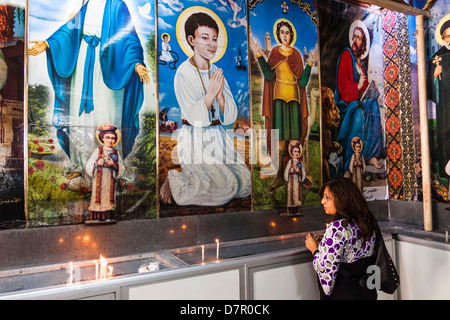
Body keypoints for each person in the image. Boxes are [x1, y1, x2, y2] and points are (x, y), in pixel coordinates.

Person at [28, 0, 150, 182]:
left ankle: (112, 166)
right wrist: (48, 44)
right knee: (79, 116)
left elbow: (129, 38)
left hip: (108, 65)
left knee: (107, 111)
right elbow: (69, 30)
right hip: (84, 62)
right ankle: (79, 165)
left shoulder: (117, 5)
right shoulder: (87, 4)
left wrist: (136, 63)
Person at [159, 11, 250, 206]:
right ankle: (173, 179)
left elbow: (230, 115)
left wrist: (219, 95)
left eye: (215, 39)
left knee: (245, 183)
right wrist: (210, 94)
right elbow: (194, 117)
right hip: (195, 139)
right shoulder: (183, 73)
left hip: (218, 137)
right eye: (205, 38)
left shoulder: (216, 71)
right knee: (226, 188)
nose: (211, 44)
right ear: (191, 40)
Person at [252, 19, 318, 192]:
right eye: (281, 32)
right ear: (278, 35)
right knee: (281, 140)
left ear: (291, 35)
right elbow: (267, 75)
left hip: (295, 103)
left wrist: (310, 63)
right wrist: (259, 54)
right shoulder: (274, 52)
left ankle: (299, 175)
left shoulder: (296, 54)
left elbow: (303, 82)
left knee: (295, 140)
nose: (284, 35)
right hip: (279, 101)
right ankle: (281, 177)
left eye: (287, 32)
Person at [305, 177, 379, 300]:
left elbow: (326, 272)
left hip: (344, 294)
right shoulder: (368, 222)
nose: (323, 201)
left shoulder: (336, 228)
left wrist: (315, 250)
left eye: (327, 197)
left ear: (342, 199)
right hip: (366, 292)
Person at [335, 20, 384, 175]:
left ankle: (370, 155)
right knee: (358, 114)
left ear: (363, 43)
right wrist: (357, 86)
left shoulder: (361, 64)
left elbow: (364, 91)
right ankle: (349, 163)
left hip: (358, 101)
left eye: (358, 38)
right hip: (346, 104)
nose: (355, 41)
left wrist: (371, 88)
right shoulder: (346, 55)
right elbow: (342, 86)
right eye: (354, 37)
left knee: (374, 106)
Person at [85, 124, 125, 221]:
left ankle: (107, 218)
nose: (110, 140)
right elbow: (89, 165)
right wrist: (97, 163)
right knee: (98, 200)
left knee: (107, 200)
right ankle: (95, 219)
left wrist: (114, 165)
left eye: (113, 138)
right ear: (102, 138)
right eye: (107, 137)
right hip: (99, 180)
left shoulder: (116, 152)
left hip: (109, 180)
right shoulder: (98, 151)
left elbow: (122, 166)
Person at [427, 17, 450, 177]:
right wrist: (434, 75)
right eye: (448, 36)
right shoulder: (437, 57)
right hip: (447, 109)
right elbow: (430, 88)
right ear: (443, 38)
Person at [284, 140, 306, 215]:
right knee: (291, 195)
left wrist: (299, 172)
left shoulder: (300, 162)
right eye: (295, 151)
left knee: (296, 195)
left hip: (297, 182)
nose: (296, 153)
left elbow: (303, 171)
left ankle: (296, 210)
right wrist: (290, 170)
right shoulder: (290, 162)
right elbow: (286, 171)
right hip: (291, 181)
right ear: (292, 152)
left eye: (297, 151)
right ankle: (290, 210)